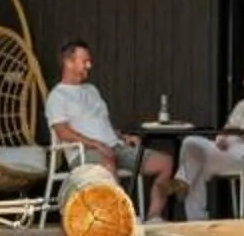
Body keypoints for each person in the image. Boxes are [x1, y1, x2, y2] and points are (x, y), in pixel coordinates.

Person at [149, 64, 244, 222]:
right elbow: (228, 128)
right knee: (193, 152)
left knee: (193, 150)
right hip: (228, 151)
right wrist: (222, 138)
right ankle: (196, 220)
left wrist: (242, 133)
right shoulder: (243, 105)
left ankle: (183, 184)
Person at [44, 40, 173, 193]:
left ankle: (153, 210)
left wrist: (123, 136)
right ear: (69, 62)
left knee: (165, 163)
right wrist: (96, 144)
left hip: (115, 147)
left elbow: (102, 125)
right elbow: (63, 132)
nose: (89, 66)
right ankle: (118, 208)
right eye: (84, 61)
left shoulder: (92, 90)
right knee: (108, 161)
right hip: (85, 153)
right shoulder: (57, 96)